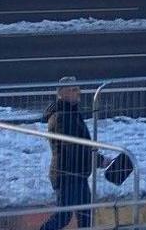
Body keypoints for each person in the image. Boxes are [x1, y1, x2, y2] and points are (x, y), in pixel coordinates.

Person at [38, 78, 96, 230]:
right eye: (73, 89)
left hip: (78, 174)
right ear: (62, 94)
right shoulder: (62, 117)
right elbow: (73, 147)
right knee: (64, 217)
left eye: (78, 89)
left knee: (86, 215)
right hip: (66, 175)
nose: (78, 92)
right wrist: (98, 158)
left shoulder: (71, 112)